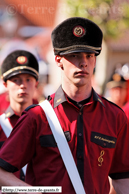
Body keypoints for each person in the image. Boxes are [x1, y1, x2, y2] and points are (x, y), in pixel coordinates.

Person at [0, 17, 128, 194]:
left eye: (89, 55)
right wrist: (34, 192)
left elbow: (122, 180)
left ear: (94, 61)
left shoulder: (115, 116)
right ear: (58, 59)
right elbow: (2, 171)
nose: (83, 62)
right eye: (74, 55)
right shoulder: (37, 117)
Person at [0, 50, 39, 181]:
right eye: (16, 80)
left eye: (28, 79)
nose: (23, 86)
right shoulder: (0, 125)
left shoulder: (49, 122)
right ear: (5, 84)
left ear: (36, 84)